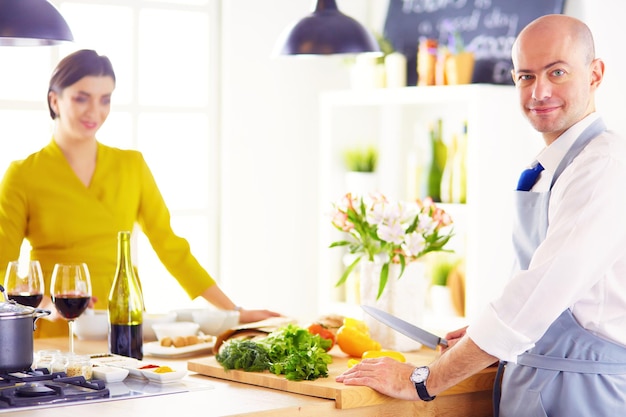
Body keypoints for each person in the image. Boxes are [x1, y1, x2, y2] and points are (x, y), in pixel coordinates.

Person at [337, 14, 626, 416]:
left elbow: (537, 295)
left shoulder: (606, 165)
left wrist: (423, 380)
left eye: (556, 72)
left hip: (582, 395)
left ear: (595, 74)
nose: (539, 91)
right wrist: (484, 338)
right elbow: (536, 286)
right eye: (525, 76)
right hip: (541, 382)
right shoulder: (558, 164)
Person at [0, 49, 280, 337]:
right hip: (54, 326)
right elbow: (1, 266)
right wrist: (46, 304)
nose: (94, 111)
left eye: (105, 99)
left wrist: (232, 312)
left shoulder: (131, 166)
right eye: (81, 98)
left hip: (124, 321)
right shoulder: (23, 174)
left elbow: (170, 246)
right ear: (54, 100)